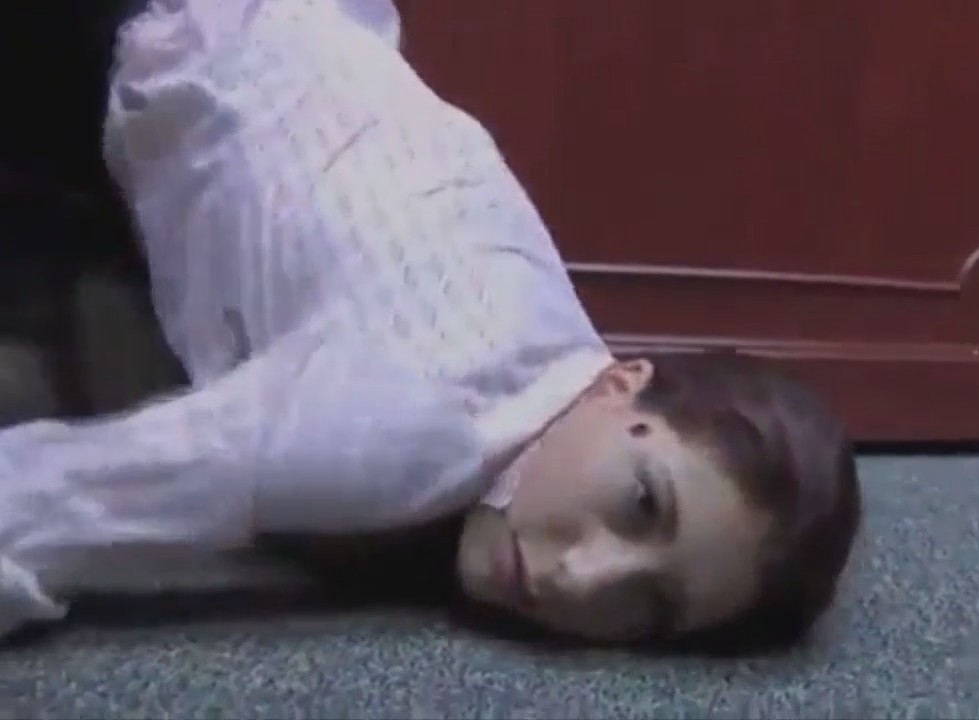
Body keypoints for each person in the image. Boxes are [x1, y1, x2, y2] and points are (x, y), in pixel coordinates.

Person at [0, 0, 862, 648]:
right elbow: (40, 501)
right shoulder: (412, 427)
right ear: (621, 382)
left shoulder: (546, 359)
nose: (581, 576)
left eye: (647, 607)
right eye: (641, 504)